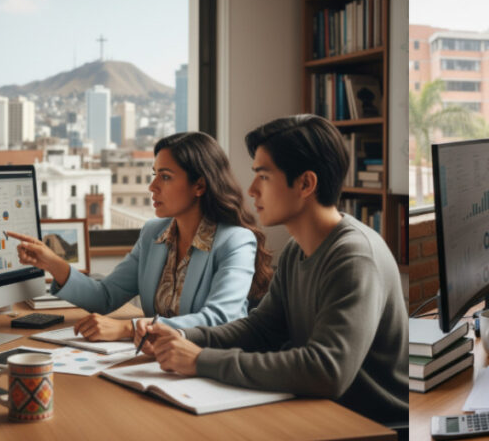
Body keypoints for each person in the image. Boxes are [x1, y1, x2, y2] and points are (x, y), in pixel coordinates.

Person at [141, 115, 408, 426]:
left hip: (372, 426)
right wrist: (183, 335)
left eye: (263, 176)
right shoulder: (299, 248)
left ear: (306, 183)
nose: (251, 189)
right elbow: (262, 330)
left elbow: (326, 370)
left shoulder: (354, 256)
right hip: (319, 412)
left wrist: (200, 360)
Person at [8, 132, 271, 344]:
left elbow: (220, 319)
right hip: (159, 360)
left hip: (209, 363)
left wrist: (128, 328)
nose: (152, 186)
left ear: (199, 185)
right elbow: (105, 296)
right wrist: (53, 263)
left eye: (165, 177)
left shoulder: (235, 241)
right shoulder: (153, 233)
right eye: (154, 174)